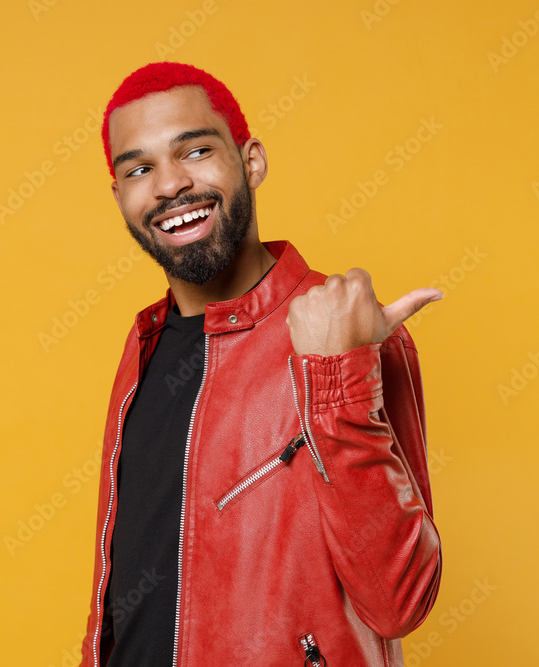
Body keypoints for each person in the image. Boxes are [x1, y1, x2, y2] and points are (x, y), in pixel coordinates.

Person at [80, 61, 442, 667]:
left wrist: (337, 377)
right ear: (120, 196)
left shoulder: (347, 332)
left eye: (194, 151)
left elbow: (398, 602)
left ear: (252, 162)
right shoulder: (143, 342)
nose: (168, 185)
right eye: (140, 169)